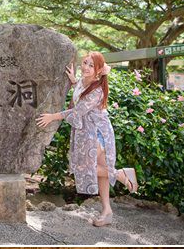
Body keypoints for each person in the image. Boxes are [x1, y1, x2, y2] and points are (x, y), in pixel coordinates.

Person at [37, 53, 139, 226]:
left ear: (98, 70)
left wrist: (52, 116)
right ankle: (107, 211)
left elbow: (77, 112)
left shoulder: (97, 90)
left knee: (83, 167)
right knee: (101, 174)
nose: (85, 67)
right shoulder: (84, 83)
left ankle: (121, 174)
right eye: (85, 63)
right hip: (89, 133)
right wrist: (73, 80)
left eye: (91, 66)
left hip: (97, 134)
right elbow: (80, 90)